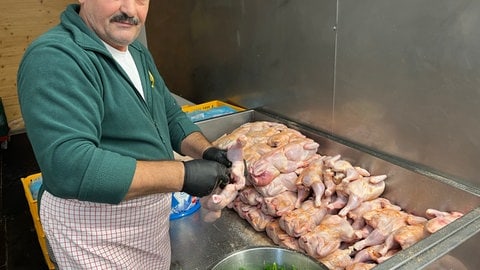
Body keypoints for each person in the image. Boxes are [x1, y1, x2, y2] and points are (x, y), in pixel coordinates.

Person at [17, 0, 232, 269]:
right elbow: (69, 167)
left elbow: (170, 116)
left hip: (147, 222)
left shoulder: (137, 53)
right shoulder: (55, 57)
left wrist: (207, 151)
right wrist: (184, 175)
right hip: (92, 232)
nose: (130, 10)